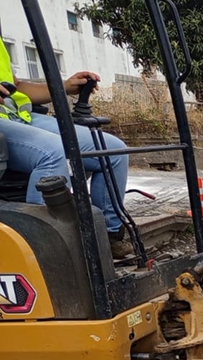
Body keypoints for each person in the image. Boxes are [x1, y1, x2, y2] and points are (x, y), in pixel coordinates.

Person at [0, 40, 132, 257]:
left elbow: (17, 87)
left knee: (112, 151)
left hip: (20, 116)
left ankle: (108, 237)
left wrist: (65, 87)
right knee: (53, 152)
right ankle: (46, 251)